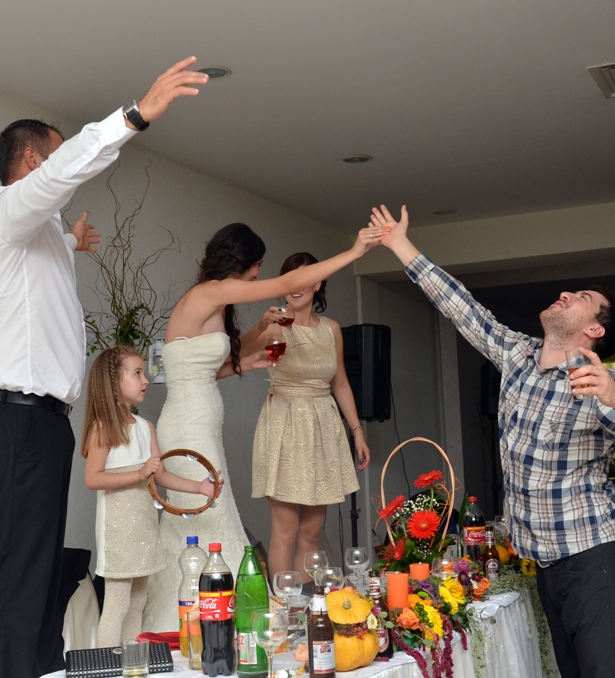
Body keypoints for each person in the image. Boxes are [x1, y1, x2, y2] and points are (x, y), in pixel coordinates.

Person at [370, 204, 615, 678]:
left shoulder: (600, 385)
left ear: (594, 330)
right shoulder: (517, 354)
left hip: (598, 562)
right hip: (547, 567)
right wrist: (399, 243)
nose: (564, 293)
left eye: (581, 297)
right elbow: (461, 307)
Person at [0, 58, 208, 678]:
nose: (62, 171)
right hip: (15, 422)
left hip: (41, 425)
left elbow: (39, 265)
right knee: (17, 580)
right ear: (31, 161)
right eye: (54, 156)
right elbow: (63, 173)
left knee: (40, 576)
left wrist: (70, 241)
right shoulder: (5, 214)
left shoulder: (36, 233)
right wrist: (136, 116)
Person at [142, 222, 387, 632]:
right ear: (241, 261)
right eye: (257, 265)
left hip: (200, 420)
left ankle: (215, 623)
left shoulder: (215, 301)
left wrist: (247, 362)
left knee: (209, 521)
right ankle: (202, 626)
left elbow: (205, 369)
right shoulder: (210, 292)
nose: (259, 274)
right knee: (209, 520)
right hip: (189, 425)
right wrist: (354, 252)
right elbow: (289, 282)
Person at [242, 252, 371, 580]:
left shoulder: (331, 329)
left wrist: (356, 430)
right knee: (285, 530)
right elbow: (238, 354)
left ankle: (306, 604)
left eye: (305, 279)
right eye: (290, 280)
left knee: (311, 533)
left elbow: (340, 382)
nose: (296, 287)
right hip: (285, 424)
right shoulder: (275, 325)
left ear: (318, 283)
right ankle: (285, 604)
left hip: (322, 426)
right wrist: (263, 325)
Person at [81, 346, 219, 647]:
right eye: (137, 373)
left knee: (137, 601)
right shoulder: (102, 428)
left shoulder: (146, 428)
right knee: (117, 602)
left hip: (144, 526)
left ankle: (131, 660)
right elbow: (93, 479)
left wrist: (200, 487)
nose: (146, 380)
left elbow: (160, 474)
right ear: (114, 383)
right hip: (118, 529)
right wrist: (139, 473)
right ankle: (107, 662)